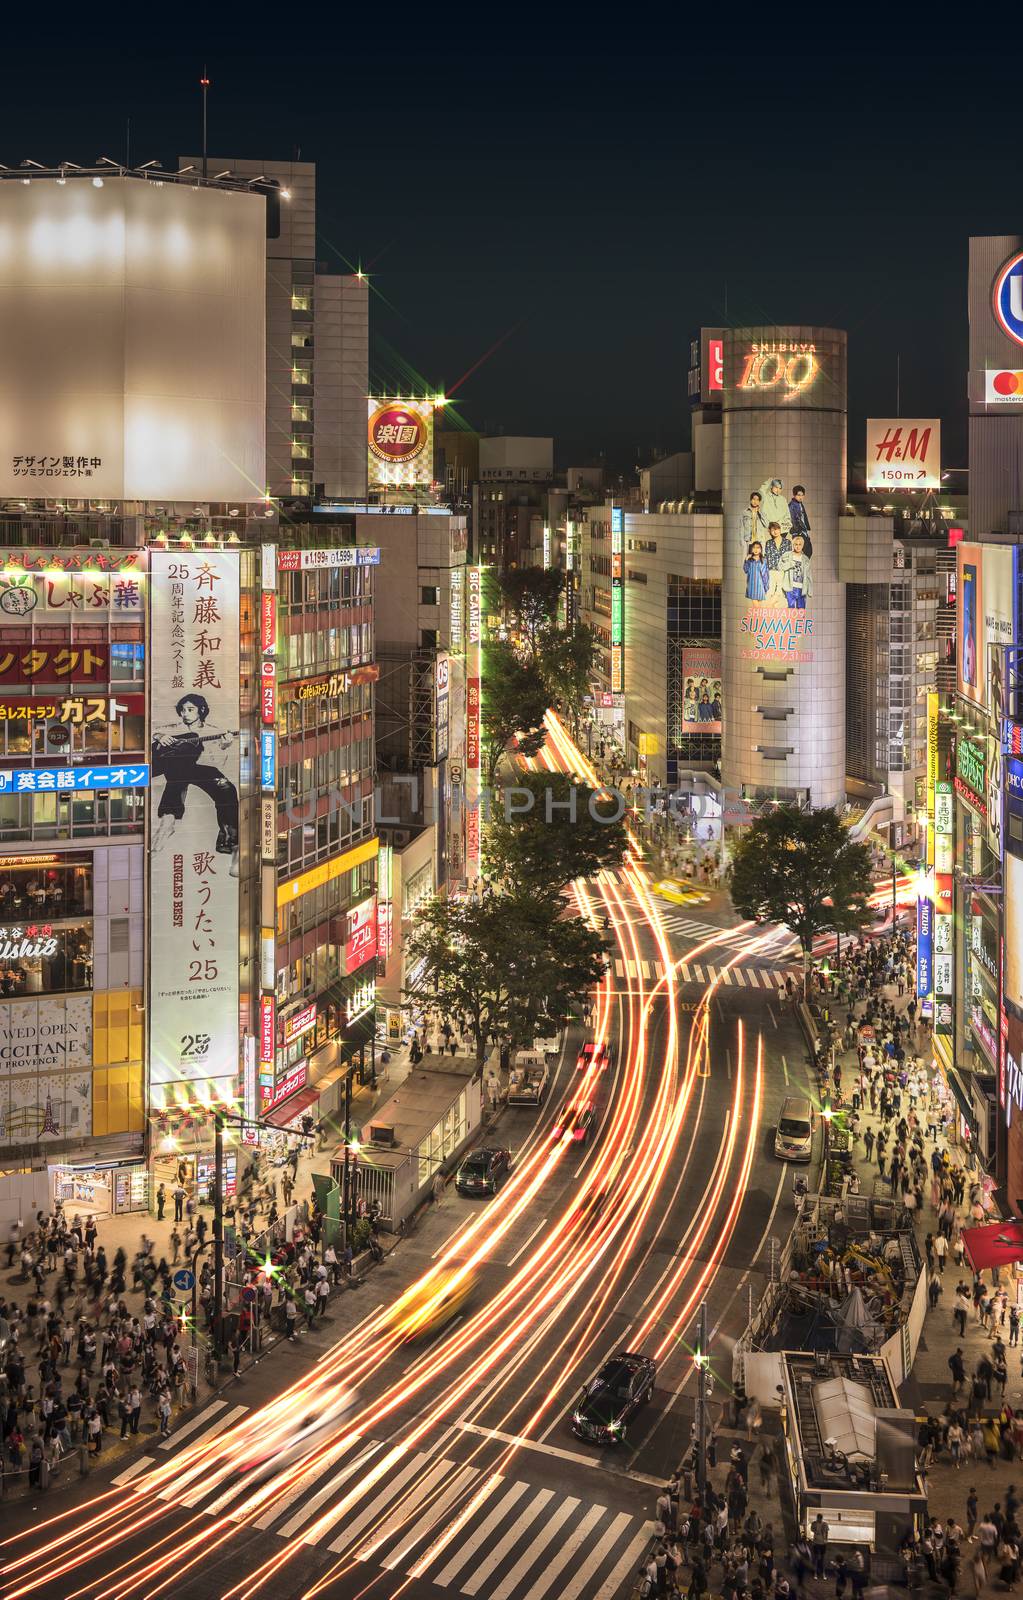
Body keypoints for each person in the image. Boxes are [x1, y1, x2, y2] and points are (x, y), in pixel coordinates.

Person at [788, 485, 813, 554]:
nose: (801, 497)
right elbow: (792, 519)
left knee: (808, 551)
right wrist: (799, 532)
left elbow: (804, 518)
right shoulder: (792, 505)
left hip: (802, 532)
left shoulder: (800, 504)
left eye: (802, 495)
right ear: (794, 495)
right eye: (798, 495)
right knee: (804, 552)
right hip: (798, 533)